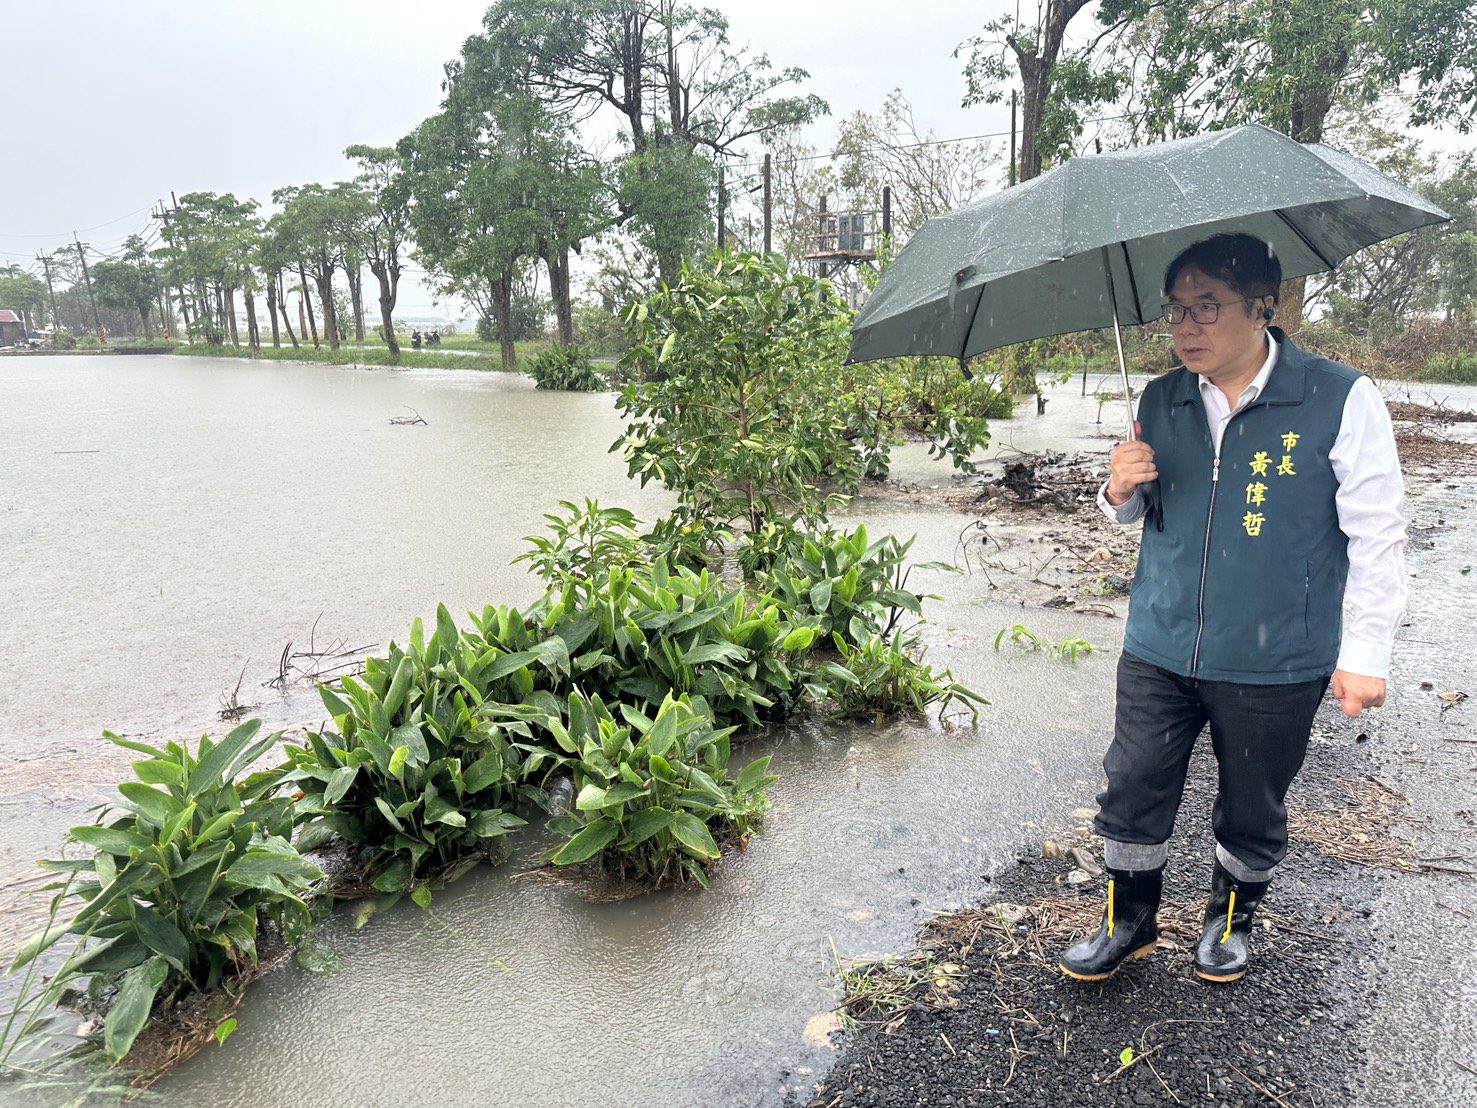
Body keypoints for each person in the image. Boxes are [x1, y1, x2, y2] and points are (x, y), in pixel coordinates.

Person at [1058, 233, 1406, 985]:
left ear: (1262, 306)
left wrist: (1364, 654)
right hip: (1159, 641)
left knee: (1253, 797)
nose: (1185, 327)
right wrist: (1116, 487)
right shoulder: (1159, 397)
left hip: (1275, 654)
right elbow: (1136, 509)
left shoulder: (1338, 397)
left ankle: (1227, 920)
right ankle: (1129, 921)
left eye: (1205, 307)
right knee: (1133, 783)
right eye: (1176, 310)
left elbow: (1377, 533)